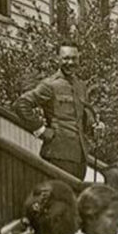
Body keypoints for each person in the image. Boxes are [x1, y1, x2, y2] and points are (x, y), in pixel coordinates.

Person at [14, 44, 98, 180]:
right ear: (58, 59)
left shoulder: (81, 86)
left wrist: (94, 125)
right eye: (65, 58)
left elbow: (83, 115)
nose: (70, 62)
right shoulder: (50, 85)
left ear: (79, 60)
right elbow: (21, 104)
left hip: (80, 157)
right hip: (57, 155)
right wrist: (40, 130)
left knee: (74, 198)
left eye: (74, 58)